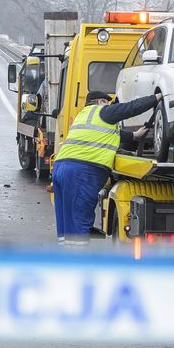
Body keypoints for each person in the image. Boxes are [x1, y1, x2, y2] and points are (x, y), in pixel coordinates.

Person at [52, 90, 163, 246]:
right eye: (107, 102)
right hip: (82, 171)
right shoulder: (103, 111)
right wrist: (156, 97)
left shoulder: (83, 116)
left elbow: (111, 133)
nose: (110, 106)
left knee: (67, 219)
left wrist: (134, 136)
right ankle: (77, 262)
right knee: (79, 218)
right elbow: (131, 107)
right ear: (100, 102)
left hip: (61, 167)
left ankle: (65, 258)